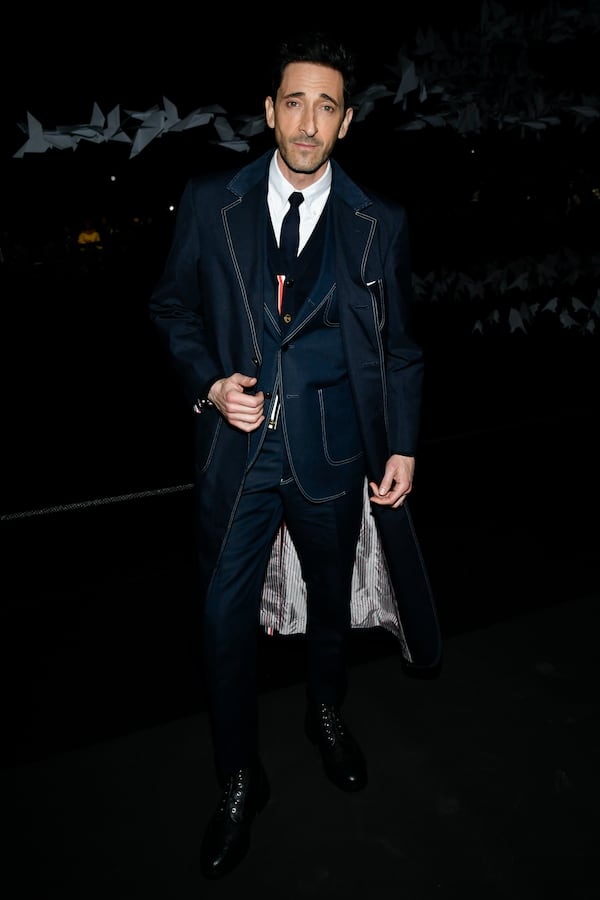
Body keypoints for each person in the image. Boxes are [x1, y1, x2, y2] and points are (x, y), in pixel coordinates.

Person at [149, 31, 442, 880]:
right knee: (219, 623)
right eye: (294, 102)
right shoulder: (212, 202)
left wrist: (406, 447)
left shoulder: (377, 221)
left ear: (346, 122)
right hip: (234, 461)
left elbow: (402, 348)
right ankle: (239, 778)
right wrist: (209, 386)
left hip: (332, 454)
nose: (308, 122)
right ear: (268, 111)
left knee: (325, 606)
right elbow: (172, 309)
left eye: (327, 105)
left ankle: (324, 711)